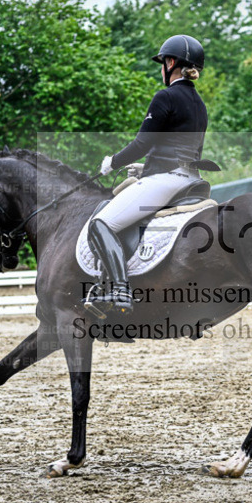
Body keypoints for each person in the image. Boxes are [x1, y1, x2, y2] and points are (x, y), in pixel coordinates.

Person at [85, 34, 208, 314]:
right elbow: (184, 149)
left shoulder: (165, 96)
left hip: (167, 181)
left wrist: (112, 162)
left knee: (100, 224)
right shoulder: (199, 103)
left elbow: (143, 143)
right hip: (190, 179)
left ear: (171, 62)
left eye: (162, 62)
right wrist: (145, 168)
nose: (160, 68)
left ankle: (119, 292)